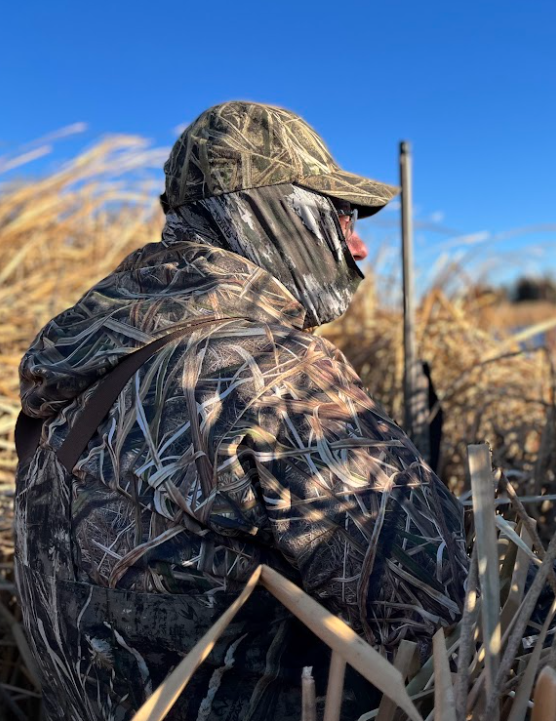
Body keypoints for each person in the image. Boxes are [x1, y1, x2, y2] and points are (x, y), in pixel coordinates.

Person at [14, 101, 468, 720]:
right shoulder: (268, 369)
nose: (357, 245)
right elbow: (451, 618)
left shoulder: (76, 376)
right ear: (267, 210)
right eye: (339, 215)